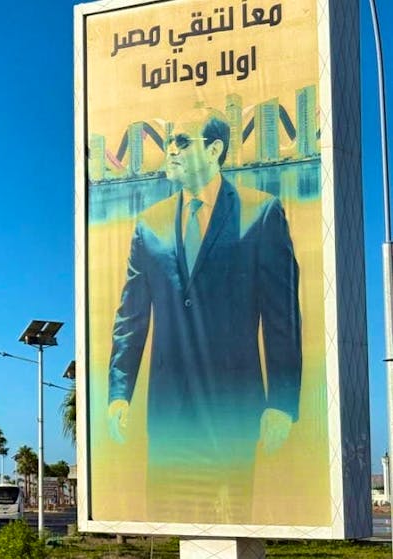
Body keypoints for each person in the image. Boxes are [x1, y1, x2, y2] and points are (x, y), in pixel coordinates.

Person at [106, 109, 302, 523]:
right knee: (168, 517)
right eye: (169, 141)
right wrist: (119, 393)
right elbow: (131, 318)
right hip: (169, 414)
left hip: (233, 409)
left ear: (214, 149)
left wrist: (282, 403)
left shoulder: (260, 214)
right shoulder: (149, 225)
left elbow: (283, 316)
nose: (171, 150)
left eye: (183, 142)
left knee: (232, 520)